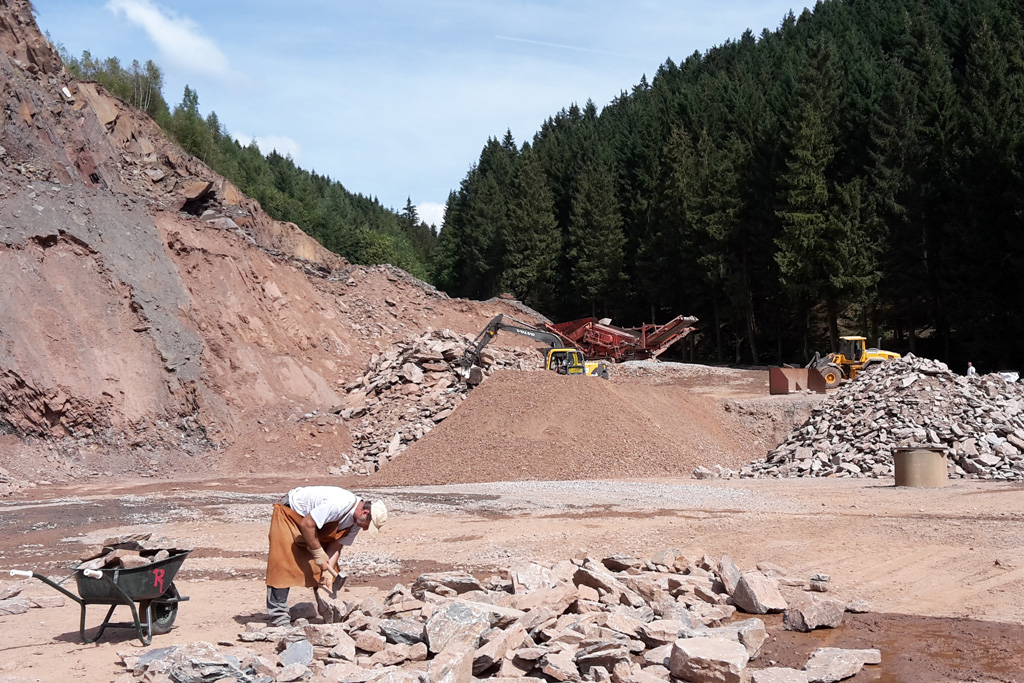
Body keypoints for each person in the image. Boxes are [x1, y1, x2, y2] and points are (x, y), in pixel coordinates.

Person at [265, 486, 387, 626]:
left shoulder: (356, 522)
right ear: (365, 512)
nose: (365, 529)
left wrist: (326, 571)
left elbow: (336, 545)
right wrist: (317, 552)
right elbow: (307, 523)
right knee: (283, 564)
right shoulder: (339, 504)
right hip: (291, 513)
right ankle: (279, 618)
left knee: (328, 570)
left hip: (312, 523)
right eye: (368, 525)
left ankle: (329, 613)